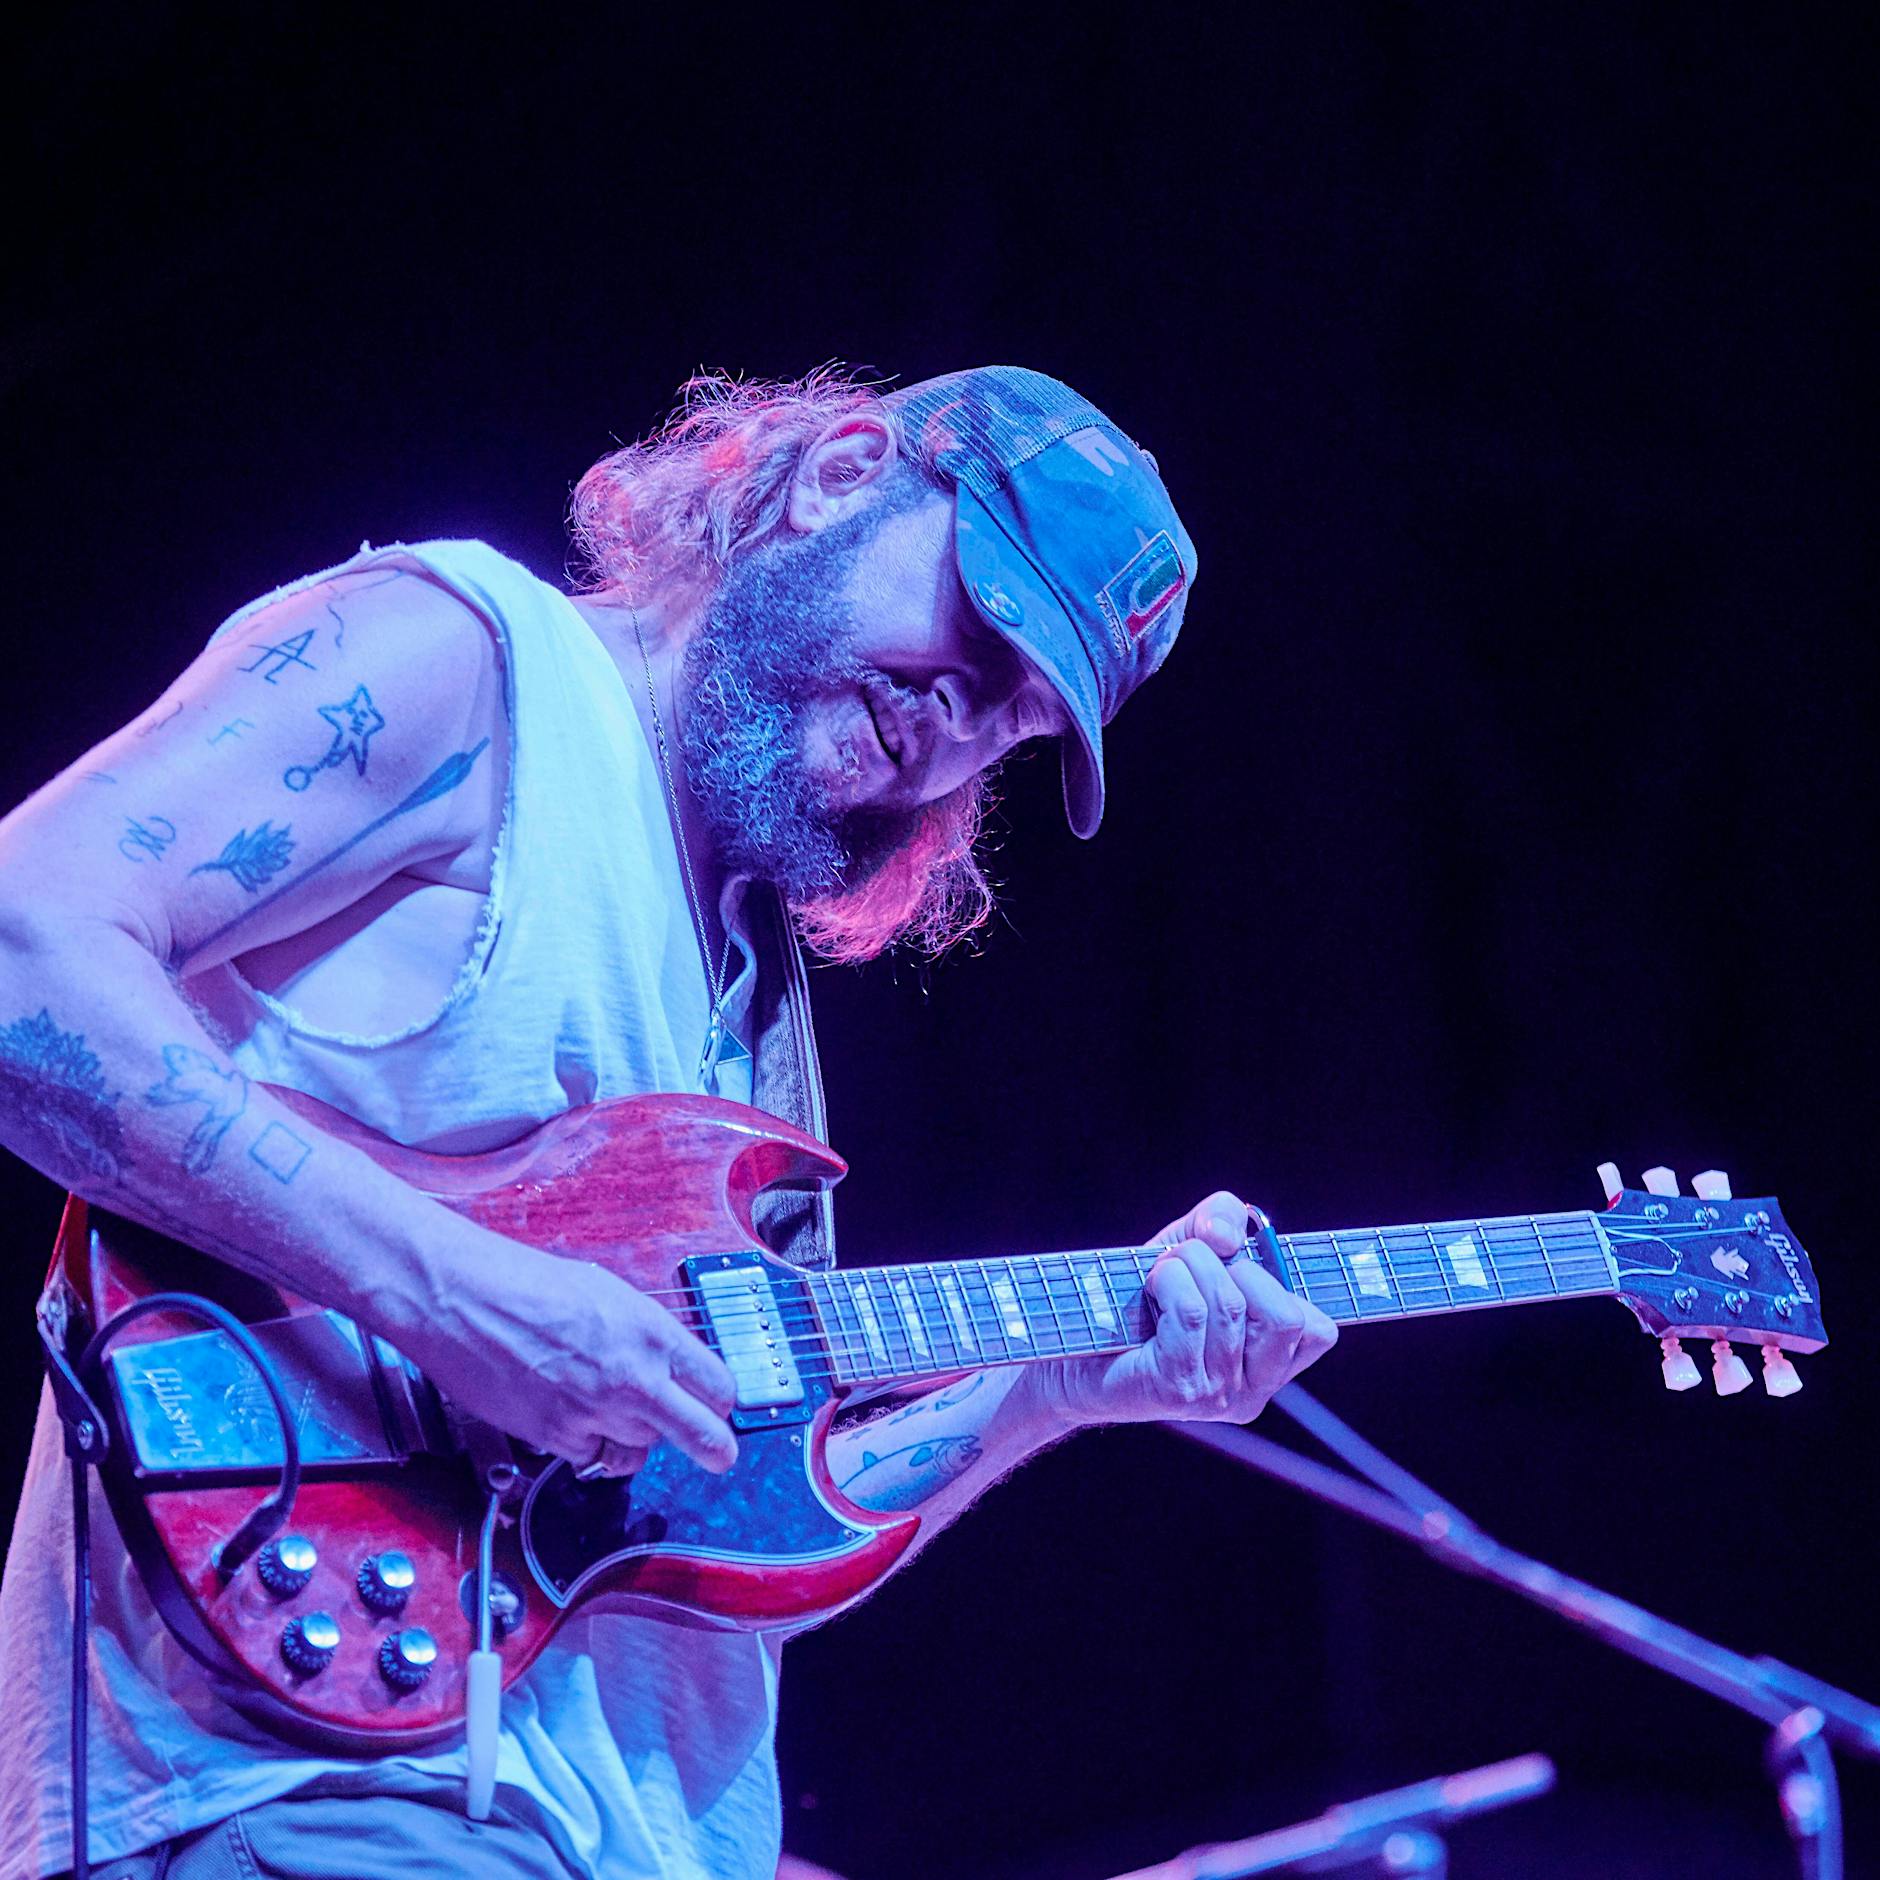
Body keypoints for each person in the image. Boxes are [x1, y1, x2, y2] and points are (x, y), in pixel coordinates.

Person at [0, 365, 1338, 1880]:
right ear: (837, 473)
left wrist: (1063, 1388)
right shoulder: (466, 664)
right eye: (978, 624)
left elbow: (733, 1521)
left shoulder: (761, 1012)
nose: (961, 723)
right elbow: (21, 942)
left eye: (1019, 716)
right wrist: (452, 1294)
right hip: (307, 1791)